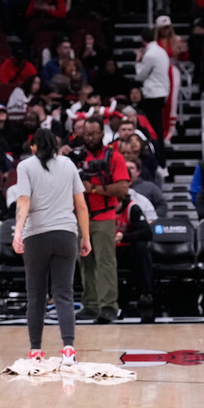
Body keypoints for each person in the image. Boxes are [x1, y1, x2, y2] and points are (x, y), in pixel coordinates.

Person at [11, 129, 91, 363]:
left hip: (36, 236)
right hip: (66, 234)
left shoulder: (25, 166)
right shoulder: (68, 165)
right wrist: (85, 237)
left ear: (34, 147)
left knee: (36, 294)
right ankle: (68, 349)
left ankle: (36, 350)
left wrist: (17, 231)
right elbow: (81, 205)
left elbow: (23, 199)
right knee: (64, 293)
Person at [76, 116, 130, 324]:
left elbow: (123, 188)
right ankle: (90, 304)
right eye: (86, 134)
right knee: (86, 263)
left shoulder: (113, 157)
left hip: (103, 216)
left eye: (94, 134)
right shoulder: (77, 157)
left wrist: (96, 189)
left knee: (105, 263)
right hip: (81, 217)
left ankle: (108, 306)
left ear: (102, 134)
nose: (90, 137)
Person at [134, 27, 170, 166]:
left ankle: (159, 163)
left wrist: (138, 60)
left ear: (142, 40)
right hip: (161, 93)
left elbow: (140, 75)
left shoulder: (149, 55)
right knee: (157, 130)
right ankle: (160, 162)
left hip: (153, 95)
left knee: (153, 131)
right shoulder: (161, 51)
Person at [113, 194, 153, 313]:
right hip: (108, 250)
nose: (113, 207)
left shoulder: (132, 208)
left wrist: (124, 236)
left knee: (141, 247)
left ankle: (146, 293)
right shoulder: (102, 209)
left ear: (121, 201)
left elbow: (147, 233)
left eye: (115, 204)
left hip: (126, 250)